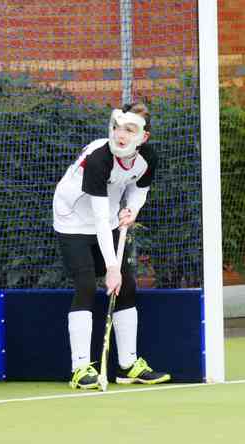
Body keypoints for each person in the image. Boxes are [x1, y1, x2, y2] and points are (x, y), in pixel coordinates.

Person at [52, 102, 171, 389]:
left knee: (126, 286)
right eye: (118, 127)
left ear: (143, 137)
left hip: (108, 216)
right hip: (73, 220)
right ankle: (80, 368)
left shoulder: (147, 159)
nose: (121, 134)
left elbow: (139, 191)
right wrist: (111, 267)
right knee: (86, 285)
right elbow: (99, 218)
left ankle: (128, 365)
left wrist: (132, 210)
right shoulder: (98, 159)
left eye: (130, 130)